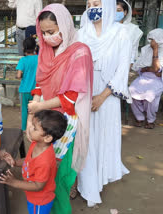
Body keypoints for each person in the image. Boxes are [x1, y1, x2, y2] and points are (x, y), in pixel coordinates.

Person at [27, 4, 93, 214]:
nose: (47, 37)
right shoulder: (45, 52)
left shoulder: (79, 52)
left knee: (58, 174)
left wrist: (40, 106)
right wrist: (32, 117)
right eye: (43, 33)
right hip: (43, 117)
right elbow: (39, 85)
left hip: (64, 122)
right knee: (40, 169)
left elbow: (71, 96)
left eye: (52, 32)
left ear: (64, 26)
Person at [77, 0, 132, 207]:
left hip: (108, 96)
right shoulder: (82, 33)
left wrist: (102, 96)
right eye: (89, 3)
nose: (93, 7)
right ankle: (86, 185)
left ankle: (99, 180)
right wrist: (85, 93)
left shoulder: (121, 33)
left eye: (97, 2)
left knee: (104, 137)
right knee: (86, 140)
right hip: (84, 93)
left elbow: (123, 69)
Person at [0, 110, 68, 214]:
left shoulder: (44, 161)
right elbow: (29, 161)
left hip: (39, 201)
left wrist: (14, 182)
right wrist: (15, 162)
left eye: (35, 128)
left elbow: (38, 186)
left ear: (47, 138)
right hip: (32, 196)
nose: (30, 129)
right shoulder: (36, 143)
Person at [129, 28, 163, 129]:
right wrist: (148, 69)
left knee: (150, 95)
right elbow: (140, 67)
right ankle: (139, 117)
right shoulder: (146, 49)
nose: (151, 42)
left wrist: (155, 50)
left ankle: (150, 119)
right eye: (150, 39)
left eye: (153, 39)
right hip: (143, 77)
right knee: (131, 90)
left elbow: (157, 69)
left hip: (158, 80)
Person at [16, 37, 38, 131]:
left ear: (23, 48)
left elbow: (18, 75)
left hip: (24, 90)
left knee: (25, 110)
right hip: (36, 90)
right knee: (36, 110)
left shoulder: (23, 60)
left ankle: (25, 128)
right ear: (35, 47)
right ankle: (35, 127)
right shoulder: (39, 58)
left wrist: (19, 76)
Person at [116, 0, 143, 64]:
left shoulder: (133, 29)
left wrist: (130, 64)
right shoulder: (104, 27)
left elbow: (133, 50)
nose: (115, 13)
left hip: (123, 63)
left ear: (125, 12)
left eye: (118, 10)